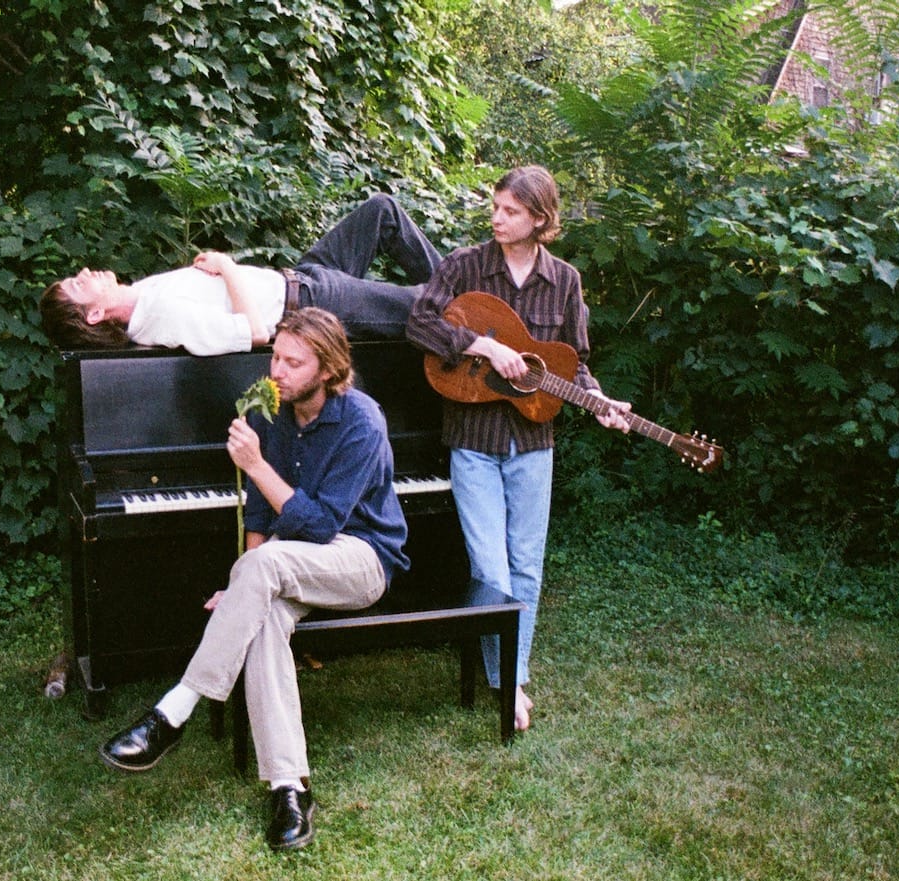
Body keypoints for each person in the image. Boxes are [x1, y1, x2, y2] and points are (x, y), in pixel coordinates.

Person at [98, 308, 409, 852]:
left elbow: (319, 526)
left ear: (329, 369)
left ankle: (174, 711)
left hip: (360, 560)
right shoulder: (272, 411)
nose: (278, 372)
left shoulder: (362, 420)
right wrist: (247, 585)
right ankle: (289, 788)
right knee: (261, 619)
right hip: (288, 564)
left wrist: (257, 468)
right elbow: (262, 519)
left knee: (262, 571)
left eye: (294, 363)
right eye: (275, 358)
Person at [405, 166, 631, 732]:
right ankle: (506, 681)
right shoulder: (464, 265)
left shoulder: (566, 281)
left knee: (526, 567)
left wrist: (599, 401)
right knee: (490, 567)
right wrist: (480, 343)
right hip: (474, 440)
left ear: (539, 219)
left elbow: (573, 360)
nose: (496, 217)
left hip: (533, 440)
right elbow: (419, 322)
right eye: (496, 206)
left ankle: (513, 675)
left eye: (509, 210)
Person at [39, 193, 442, 355]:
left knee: (381, 211)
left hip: (305, 275)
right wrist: (228, 268)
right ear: (93, 315)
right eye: (78, 284)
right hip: (311, 304)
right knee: (434, 307)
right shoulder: (160, 317)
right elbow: (254, 333)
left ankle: (467, 289)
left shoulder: (140, 297)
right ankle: (482, 305)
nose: (86, 272)